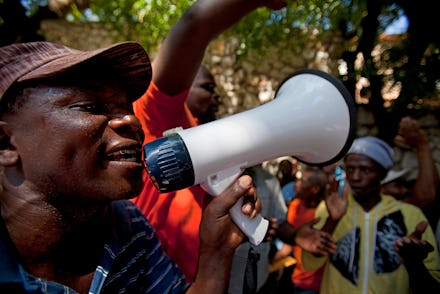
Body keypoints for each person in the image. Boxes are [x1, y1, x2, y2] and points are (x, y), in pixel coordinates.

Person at [0, 41, 263, 293]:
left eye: (127, 107)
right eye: (91, 107)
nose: (131, 121)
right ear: (5, 145)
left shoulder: (127, 224)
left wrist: (217, 252)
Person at [131, 0, 336, 284]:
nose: (216, 97)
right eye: (206, 87)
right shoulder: (155, 116)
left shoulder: (201, 134)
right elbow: (194, 26)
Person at [302, 136, 440, 294]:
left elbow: (433, 280)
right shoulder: (330, 207)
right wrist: (332, 221)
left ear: (382, 174)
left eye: (365, 170)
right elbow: (310, 263)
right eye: (350, 169)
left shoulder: (410, 215)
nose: (355, 177)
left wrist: (414, 264)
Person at [228, 164, 288, 294]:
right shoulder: (221, 180)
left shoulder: (270, 180)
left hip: (260, 276)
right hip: (227, 279)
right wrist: (248, 232)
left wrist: (297, 235)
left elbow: (281, 222)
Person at [286, 166, 328, 294]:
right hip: (297, 276)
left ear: (315, 189)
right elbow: (289, 238)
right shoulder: (295, 205)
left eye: (302, 181)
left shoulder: (325, 212)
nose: (296, 184)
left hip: (316, 283)